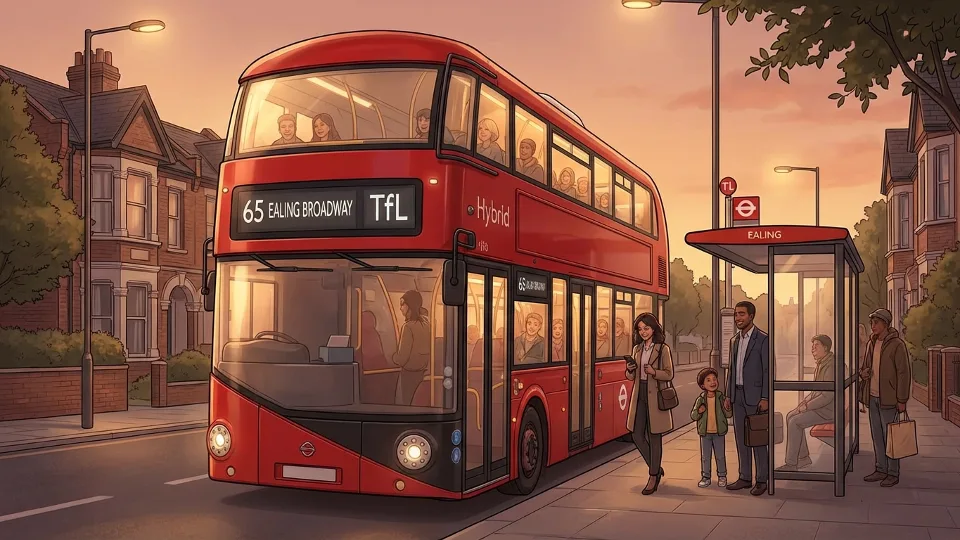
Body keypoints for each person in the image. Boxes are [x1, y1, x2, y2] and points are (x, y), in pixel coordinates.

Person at [860, 308, 910, 487]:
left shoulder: (897, 344)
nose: (872, 326)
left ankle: (893, 473)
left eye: (876, 323)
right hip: (873, 397)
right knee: (877, 436)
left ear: (886, 324)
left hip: (889, 399)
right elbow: (865, 366)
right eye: (872, 323)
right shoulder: (871, 343)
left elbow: (904, 373)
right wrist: (863, 373)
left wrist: (902, 399)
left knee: (891, 438)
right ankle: (880, 469)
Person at [624, 312, 674, 495]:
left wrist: (654, 372)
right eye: (640, 329)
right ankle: (656, 467)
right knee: (637, 435)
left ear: (654, 329)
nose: (643, 332)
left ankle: (653, 476)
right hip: (640, 394)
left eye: (646, 328)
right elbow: (631, 376)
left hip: (656, 394)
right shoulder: (637, 349)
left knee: (655, 436)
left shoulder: (662, 349)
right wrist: (630, 370)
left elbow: (669, 374)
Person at [724, 300, 770, 496]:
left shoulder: (763, 339)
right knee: (741, 439)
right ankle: (744, 477)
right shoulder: (734, 340)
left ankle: (762, 479)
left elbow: (768, 370)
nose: (738, 318)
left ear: (751, 316)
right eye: (736, 314)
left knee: (758, 438)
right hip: (737, 395)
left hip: (755, 396)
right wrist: (728, 394)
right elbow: (731, 370)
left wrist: (766, 396)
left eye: (741, 314)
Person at [778, 335, 835, 471]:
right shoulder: (823, 363)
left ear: (825, 348)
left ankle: (792, 464)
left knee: (795, 421)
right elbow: (817, 391)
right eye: (812, 345)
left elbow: (827, 395)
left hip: (829, 410)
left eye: (817, 345)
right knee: (790, 415)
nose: (813, 348)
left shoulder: (830, 366)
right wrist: (804, 402)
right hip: (824, 407)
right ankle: (803, 458)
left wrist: (806, 406)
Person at [691, 367, 732, 488]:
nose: (712, 382)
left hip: (719, 432)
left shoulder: (721, 397)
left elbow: (729, 414)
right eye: (708, 380)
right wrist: (699, 411)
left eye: (714, 379)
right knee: (705, 457)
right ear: (702, 385)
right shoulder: (701, 399)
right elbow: (693, 415)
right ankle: (706, 477)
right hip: (705, 433)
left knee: (720, 456)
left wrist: (727, 407)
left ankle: (722, 476)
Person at [392, 290, 430, 405]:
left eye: (403, 304)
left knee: (405, 403)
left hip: (409, 374)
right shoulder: (428, 324)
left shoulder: (408, 327)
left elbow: (402, 358)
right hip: (423, 373)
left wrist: (393, 357)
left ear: (410, 305)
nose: (400, 308)